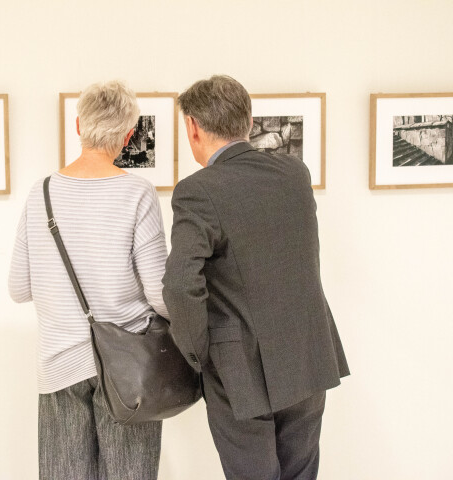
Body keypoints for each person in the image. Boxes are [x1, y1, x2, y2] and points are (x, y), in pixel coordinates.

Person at [162, 75, 349, 480]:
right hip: (307, 355)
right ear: (247, 120)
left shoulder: (197, 190)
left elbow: (180, 284)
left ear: (192, 127)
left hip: (239, 368)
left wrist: (198, 354)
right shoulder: (294, 173)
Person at [8, 80, 167, 479]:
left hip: (59, 364)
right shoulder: (138, 192)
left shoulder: (40, 192)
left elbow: (18, 288)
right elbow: (159, 293)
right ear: (129, 135)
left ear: (79, 126)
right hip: (127, 367)